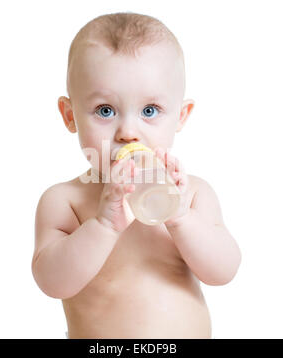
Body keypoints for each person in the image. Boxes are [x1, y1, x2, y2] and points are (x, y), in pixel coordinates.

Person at [31, 12, 241, 339]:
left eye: (149, 111)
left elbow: (224, 271)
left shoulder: (193, 195)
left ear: (180, 116)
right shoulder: (65, 201)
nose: (129, 132)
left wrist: (182, 218)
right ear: (70, 115)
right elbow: (51, 282)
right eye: (105, 110)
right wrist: (102, 226)